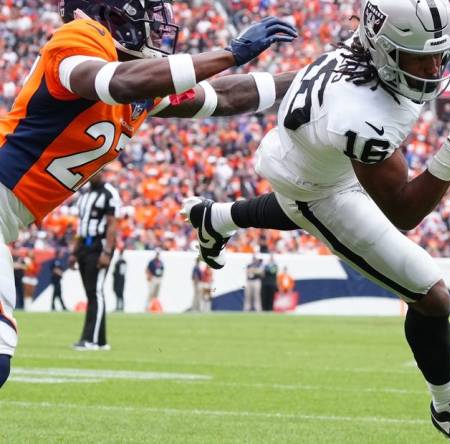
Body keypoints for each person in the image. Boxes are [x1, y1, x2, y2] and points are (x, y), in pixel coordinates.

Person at [182, 0, 450, 440]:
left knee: (307, 210)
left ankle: (215, 218)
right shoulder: (360, 115)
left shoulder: (390, 42)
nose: (434, 67)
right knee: (431, 295)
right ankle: (449, 407)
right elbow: (405, 211)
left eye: (440, 52)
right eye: (420, 57)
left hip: (316, 156)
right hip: (317, 184)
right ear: (386, 52)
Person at [0, 0, 297, 386]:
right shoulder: (79, 38)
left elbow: (223, 97)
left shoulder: (142, 87)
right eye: (146, 15)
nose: (158, 26)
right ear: (110, 15)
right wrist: (228, 53)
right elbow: (115, 82)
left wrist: (316, 77)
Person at [71, 171, 119, 350]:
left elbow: (113, 223)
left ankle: (90, 340)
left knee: (96, 292)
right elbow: (80, 225)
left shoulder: (109, 193)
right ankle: (99, 340)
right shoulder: (84, 195)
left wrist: (107, 252)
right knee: (92, 293)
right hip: (84, 244)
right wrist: (74, 252)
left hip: (99, 245)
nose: (94, 175)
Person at [112, 247, 126, 312]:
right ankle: (118, 306)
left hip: (120, 280)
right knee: (118, 293)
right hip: (117, 279)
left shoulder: (122, 261)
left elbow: (121, 272)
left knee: (120, 293)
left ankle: (121, 307)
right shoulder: (120, 261)